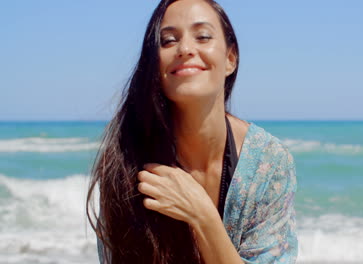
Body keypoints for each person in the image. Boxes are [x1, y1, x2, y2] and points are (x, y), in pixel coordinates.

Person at [86, 0, 297, 263]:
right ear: (154, 65)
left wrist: (202, 215)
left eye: (203, 36)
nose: (185, 48)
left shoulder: (268, 163)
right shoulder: (125, 163)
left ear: (230, 59)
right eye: (168, 40)